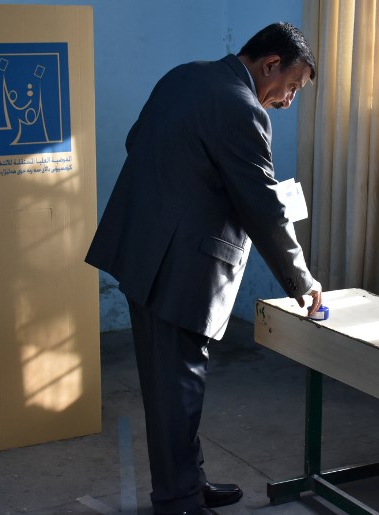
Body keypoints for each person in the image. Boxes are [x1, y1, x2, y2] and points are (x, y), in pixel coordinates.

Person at [85, 23, 322, 515]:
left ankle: (188, 483)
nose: (288, 100)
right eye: (292, 87)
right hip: (181, 267)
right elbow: (263, 209)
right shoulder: (243, 109)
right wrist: (302, 281)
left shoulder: (184, 76)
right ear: (270, 64)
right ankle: (178, 501)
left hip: (142, 250)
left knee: (169, 384)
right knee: (179, 388)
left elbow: (137, 142)